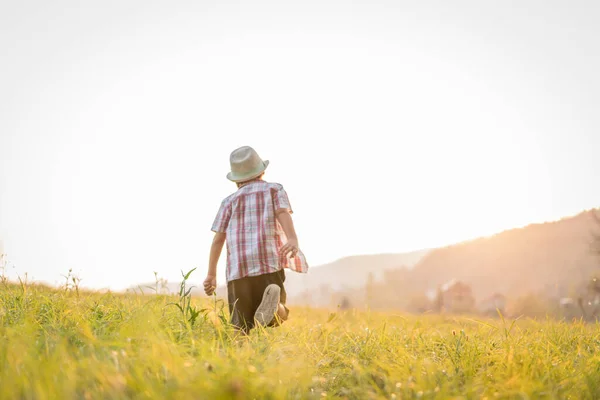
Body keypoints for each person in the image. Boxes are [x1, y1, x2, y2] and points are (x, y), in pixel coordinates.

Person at [203, 146, 308, 333]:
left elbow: (218, 239)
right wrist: (292, 238)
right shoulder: (273, 190)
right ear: (262, 171)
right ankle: (276, 308)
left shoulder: (229, 202)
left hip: (238, 270)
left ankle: (240, 353)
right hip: (268, 263)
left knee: (240, 324)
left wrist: (211, 274)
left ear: (236, 179)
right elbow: (283, 213)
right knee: (277, 316)